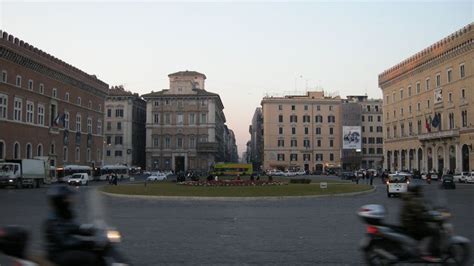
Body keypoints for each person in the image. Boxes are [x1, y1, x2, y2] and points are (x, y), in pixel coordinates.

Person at [43, 185, 102, 266]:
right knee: (90, 257)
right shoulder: (53, 220)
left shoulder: (63, 214)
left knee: (97, 250)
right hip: (58, 254)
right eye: (67, 198)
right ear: (60, 200)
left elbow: (76, 228)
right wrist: (85, 242)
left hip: (66, 250)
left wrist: (93, 229)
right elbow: (65, 242)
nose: (71, 200)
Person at [400, 184, 440, 260]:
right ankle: (432, 253)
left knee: (425, 230)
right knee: (435, 232)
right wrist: (433, 218)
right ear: (417, 191)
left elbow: (422, 209)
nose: (422, 192)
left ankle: (417, 250)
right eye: (420, 190)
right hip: (413, 224)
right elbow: (420, 214)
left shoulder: (412, 198)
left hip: (410, 223)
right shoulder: (413, 200)